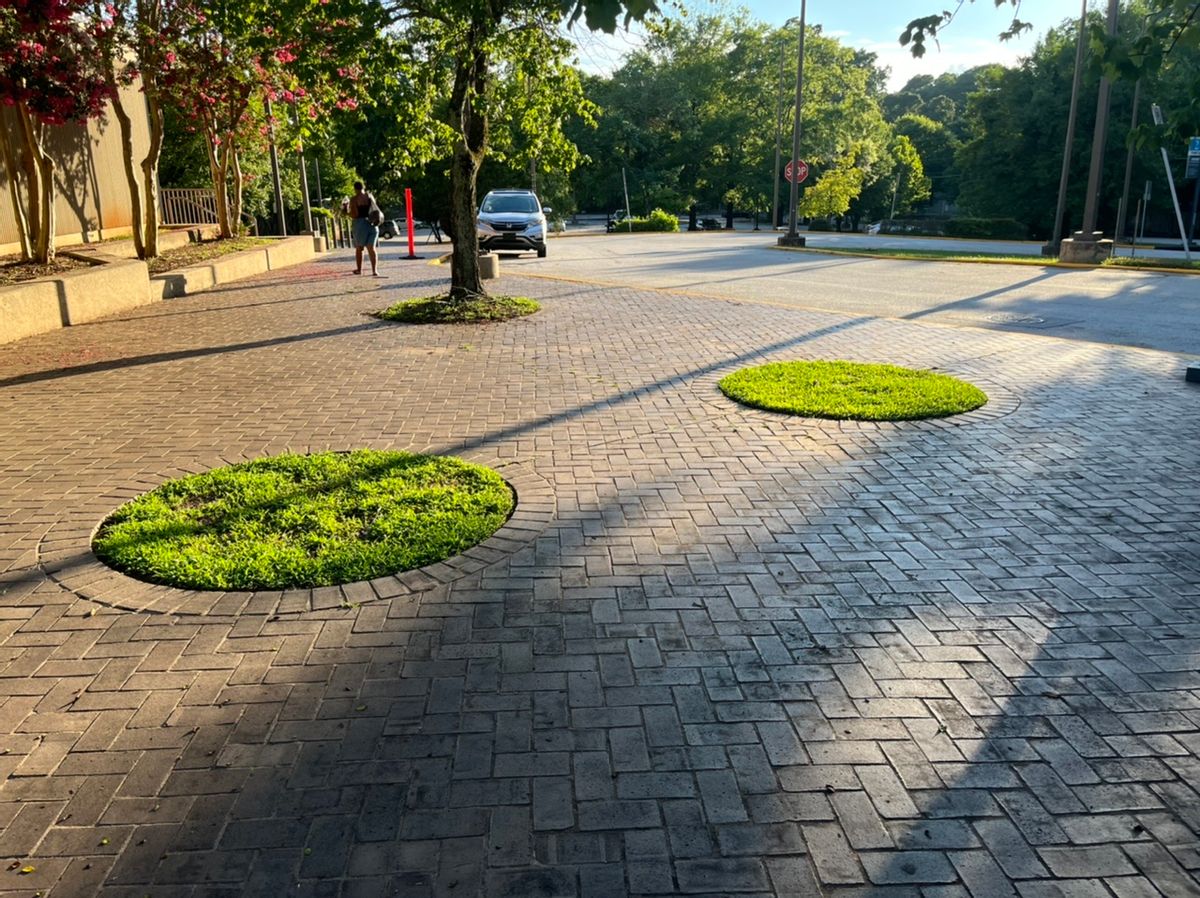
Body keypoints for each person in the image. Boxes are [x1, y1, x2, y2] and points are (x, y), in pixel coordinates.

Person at [342, 181, 382, 276]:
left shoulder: (354, 199)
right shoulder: (370, 196)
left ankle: (359, 270)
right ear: (364, 187)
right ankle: (374, 271)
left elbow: (355, 214)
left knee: (360, 248)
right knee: (372, 248)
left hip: (360, 224)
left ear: (355, 189)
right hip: (373, 223)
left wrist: (345, 210)